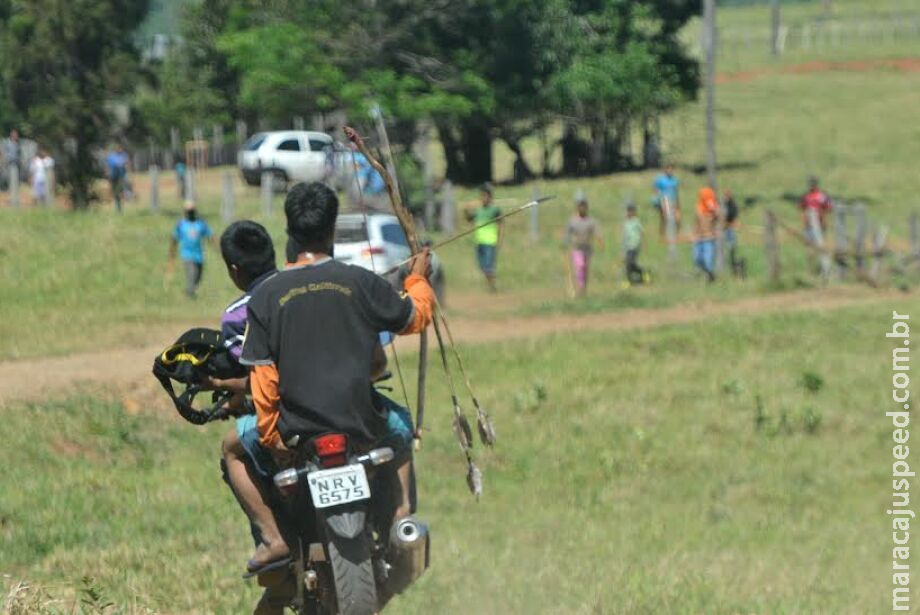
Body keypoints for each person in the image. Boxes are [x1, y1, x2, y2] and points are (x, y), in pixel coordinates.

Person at [231, 182, 434, 577]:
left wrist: (273, 441)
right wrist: (417, 278)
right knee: (401, 428)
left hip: (296, 433)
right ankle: (401, 518)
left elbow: (264, 383)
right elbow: (415, 316)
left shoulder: (267, 297)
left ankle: (275, 540)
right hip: (364, 424)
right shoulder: (359, 281)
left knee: (233, 450)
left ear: (289, 232)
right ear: (333, 229)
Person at [169, 200, 213, 298]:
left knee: (198, 276)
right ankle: (190, 293)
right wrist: (172, 251)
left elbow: (209, 235)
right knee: (192, 274)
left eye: (192, 211)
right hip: (187, 254)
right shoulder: (181, 224)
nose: (190, 213)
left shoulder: (200, 223)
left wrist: (216, 247)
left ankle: (190, 289)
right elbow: (174, 238)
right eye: (188, 211)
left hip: (199, 255)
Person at [464, 183, 502, 292]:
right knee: (482, 266)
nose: (483, 198)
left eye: (485, 196)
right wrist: (466, 210)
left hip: (490, 241)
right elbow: (469, 219)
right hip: (479, 241)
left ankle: (492, 286)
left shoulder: (495, 210)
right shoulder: (478, 210)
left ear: (490, 197)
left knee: (488, 266)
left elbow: (501, 224)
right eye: (482, 196)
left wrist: (499, 239)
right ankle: (491, 284)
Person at [564, 195, 600, 296]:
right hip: (577, 248)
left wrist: (599, 241)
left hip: (587, 248)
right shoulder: (572, 220)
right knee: (580, 266)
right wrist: (565, 243)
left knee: (585, 269)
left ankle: (583, 288)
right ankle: (580, 287)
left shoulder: (590, 221)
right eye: (580, 206)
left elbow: (596, 232)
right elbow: (568, 233)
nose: (582, 208)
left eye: (584, 206)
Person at [693, 187, 720, 282]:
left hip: (709, 239)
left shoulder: (713, 207)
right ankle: (708, 274)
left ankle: (711, 276)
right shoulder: (699, 207)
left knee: (708, 260)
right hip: (699, 238)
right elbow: (697, 222)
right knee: (697, 259)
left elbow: (717, 218)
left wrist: (715, 212)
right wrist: (694, 234)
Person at [800, 176, 832, 242]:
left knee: (820, 243)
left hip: (820, 223)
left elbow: (829, 208)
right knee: (809, 244)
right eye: (810, 183)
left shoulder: (822, 195)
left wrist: (823, 217)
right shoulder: (806, 196)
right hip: (808, 224)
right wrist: (804, 222)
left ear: (816, 184)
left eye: (813, 183)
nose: (811, 185)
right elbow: (802, 209)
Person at [652, 164, 681, 237]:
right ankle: (663, 233)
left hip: (673, 200)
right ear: (665, 170)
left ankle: (676, 233)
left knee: (677, 217)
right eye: (668, 169)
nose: (670, 171)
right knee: (665, 217)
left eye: (671, 170)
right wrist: (657, 197)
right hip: (664, 200)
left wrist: (677, 202)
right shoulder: (661, 180)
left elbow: (676, 191)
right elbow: (655, 187)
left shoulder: (675, 180)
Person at [722, 188, 745, 278]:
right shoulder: (722, 204)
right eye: (726, 195)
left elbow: (736, 218)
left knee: (732, 248)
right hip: (722, 230)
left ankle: (734, 267)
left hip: (730, 230)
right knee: (723, 249)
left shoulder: (733, 205)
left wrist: (734, 224)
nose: (727, 197)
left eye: (729, 195)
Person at [623, 203, 647, 286]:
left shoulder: (636, 222)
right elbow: (625, 235)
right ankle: (630, 280)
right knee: (628, 264)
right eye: (628, 211)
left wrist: (644, 244)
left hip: (635, 245)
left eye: (631, 211)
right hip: (628, 246)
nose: (628, 213)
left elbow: (642, 233)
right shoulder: (626, 223)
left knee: (631, 262)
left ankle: (641, 272)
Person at [106, 143, 130, 212]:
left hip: (121, 176)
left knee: (120, 190)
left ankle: (126, 195)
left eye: (120, 148)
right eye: (118, 148)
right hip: (113, 176)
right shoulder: (111, 156)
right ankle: (118, 207)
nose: (119, 149)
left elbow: (127, 164)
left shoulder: (124, 155)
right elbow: (108, 166)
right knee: (115, 192)